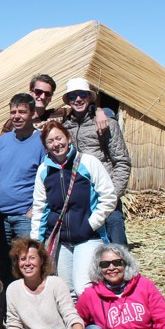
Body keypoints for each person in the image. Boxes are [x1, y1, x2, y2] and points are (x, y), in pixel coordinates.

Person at [30, 121, 116, 297]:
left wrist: (91, 224)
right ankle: (76, 324)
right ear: (46, 146)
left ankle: (94, 324)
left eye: (59, 138)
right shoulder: (44, 171)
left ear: (68, 138)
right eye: (50, 141)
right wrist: (36, 244)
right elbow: (40, 209)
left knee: (82, 286)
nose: (56, 144)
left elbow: (108, 197)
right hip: (62, 241)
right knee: (66, 291)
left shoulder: (88, 162)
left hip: (88, 237)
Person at [61, 78, 132, 245]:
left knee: (116, 243)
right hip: (80, 197)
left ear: (89, 97)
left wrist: (112, 195)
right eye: (73, 96)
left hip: (104, 194)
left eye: (82, 95)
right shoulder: (65, 126)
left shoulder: (106, 124)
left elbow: (122, 161)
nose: (78, 99)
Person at [4, 238, 96, 329]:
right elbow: (13, 324)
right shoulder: (13, 289)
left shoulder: (55, 283)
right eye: (23, 259)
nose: (27, 263)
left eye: (32, 258)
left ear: (41, 260)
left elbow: (70, 315)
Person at [0, 94, 46, 248]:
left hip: (25, 217)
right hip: (0, 215)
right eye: (13, 112)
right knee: (1, 264)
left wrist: (34, 209)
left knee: (29, 259)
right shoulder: (3, 140)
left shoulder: (42, 142)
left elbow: (47, 180)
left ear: (33, 113)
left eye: (22, 112)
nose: (17, 116)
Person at [0, 74, 109, 134]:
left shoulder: (59, 114)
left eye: (47, 93)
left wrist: (99, 111)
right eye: (38, 92)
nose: (42, 96)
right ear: (30, 92)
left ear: (51, 97)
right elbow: (1, 150)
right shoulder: (14, 121)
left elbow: (81, 107)